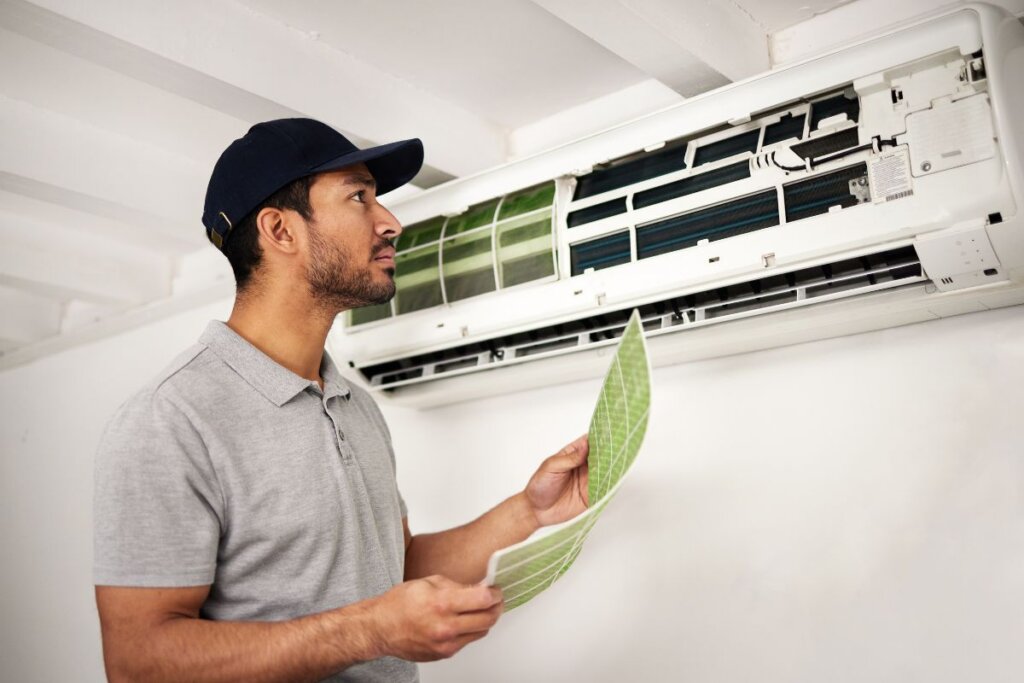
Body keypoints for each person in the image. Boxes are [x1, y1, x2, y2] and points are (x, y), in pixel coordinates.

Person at [93, 118, 590, 683]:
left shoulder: (355, 405)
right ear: (280, 230)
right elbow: (137, 663)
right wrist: (368, 631)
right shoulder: (170, 420)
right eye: (359, 197)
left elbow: (392, 570)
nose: (391, 222)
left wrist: (529, 511)